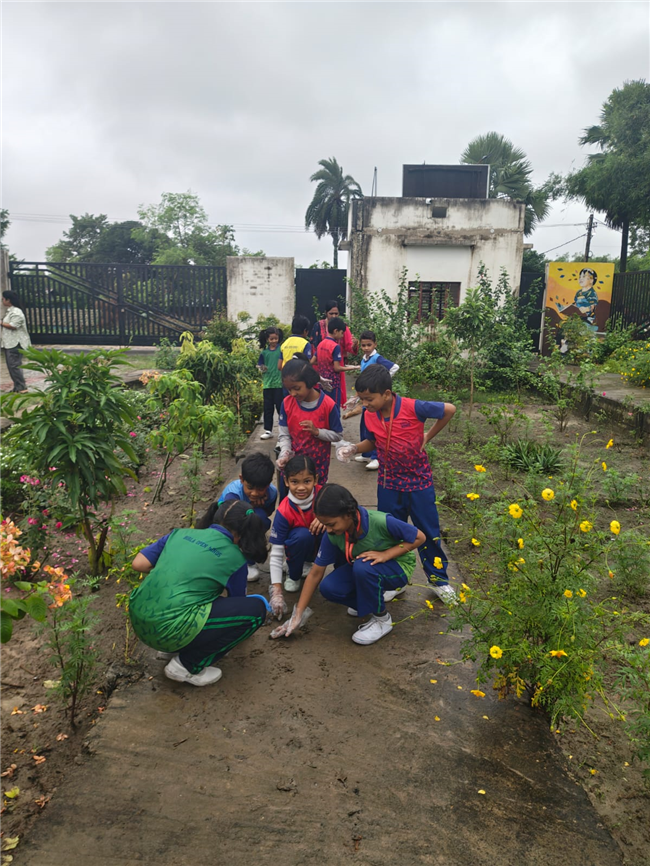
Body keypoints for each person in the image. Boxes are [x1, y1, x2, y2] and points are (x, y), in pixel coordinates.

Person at [339, 364, 457, 604]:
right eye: (362, 399)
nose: (365, 404)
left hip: (419, 482)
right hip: (388, 483)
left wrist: (428, 435)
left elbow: (449, 409)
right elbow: (371, 442)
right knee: (390, 534)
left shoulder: (414, 407)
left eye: (369, 399)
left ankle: (439, 581)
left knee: (428, 532)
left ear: (387, 393)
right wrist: (353, 449)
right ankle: (395, 580)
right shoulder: (370, 415)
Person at [128, 500, 270, 687]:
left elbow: (139, 564)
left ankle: (174, 648)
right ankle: (187, 665)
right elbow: (237, 602)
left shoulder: (180, 534)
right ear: (244, 532)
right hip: (167, 629)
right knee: (255, 611)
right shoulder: (235, 557)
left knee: (201, 598)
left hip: (139, 621)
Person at [271, 483, 425, 645]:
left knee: (362, 567)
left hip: (398, 566)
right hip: (367, 566)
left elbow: (419, 537)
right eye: (325, 525)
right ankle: (368, 604)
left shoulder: (379, 521)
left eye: (331, 524)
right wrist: (298, 615)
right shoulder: (334, 533)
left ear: (348, 514)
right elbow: (316, 573)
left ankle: (382, 620)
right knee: (329, 587)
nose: (328, 530)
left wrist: (386, 554)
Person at [277, 354, 343, 493]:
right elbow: (284, 435)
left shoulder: (328, 405)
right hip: (293, 466)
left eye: (297, 388)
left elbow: (337, 435)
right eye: (289, 389)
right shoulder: (287, 403)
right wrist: (285, 454)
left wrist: (318, 432)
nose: (293, 393)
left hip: (318, 467)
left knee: (316, 503)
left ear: (309, 382)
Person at [268, 454, 324, 607]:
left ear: (316, 479)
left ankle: (341, 572)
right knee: (302, 536)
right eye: (294, 482)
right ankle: (294, 575)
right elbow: (276, 551)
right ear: (286, 481)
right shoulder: (284, 511)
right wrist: (276, 589)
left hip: (321, 546)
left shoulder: (325, 496)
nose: (301, 487)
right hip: (299, 546)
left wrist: (325, 517)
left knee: (334, 528)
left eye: (307, 481)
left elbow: (347, 514)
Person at [217, 451, 277, 582]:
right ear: (241, 479)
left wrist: (257, 507)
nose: (255, 493)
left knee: (261, 519)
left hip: (248, 520)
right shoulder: (232, 494)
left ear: (268, 484)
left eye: (260, 489)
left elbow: (268, 513)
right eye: (250, 487)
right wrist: (250, 505)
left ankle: (249, 561)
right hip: (226, 524)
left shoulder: (272, 493)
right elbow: (228, 520)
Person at [354, 330, 399, 471]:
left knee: (375, 428)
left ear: (375, 344)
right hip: (365, 399)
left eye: (369, 345)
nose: (366, 348)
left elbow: (394, 367)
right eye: (363, 345)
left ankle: (376, 457)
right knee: (365, 425)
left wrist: (381, 383)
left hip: (375, 399)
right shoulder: (364, 359)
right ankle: (366, 454)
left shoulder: (377, 358)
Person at [310, 300, 357, 404]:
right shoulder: (319, 326)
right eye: (331, 313)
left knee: (323, 402)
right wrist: (354, 367)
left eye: (336, 313)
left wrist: (354, 345)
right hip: (330, 376)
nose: (334, 316)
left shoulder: (342, 327)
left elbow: (349, 346)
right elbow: (313, 346)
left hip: (326, 372)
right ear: (326, 313)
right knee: (332, 405)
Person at [1, 290, 31, 393]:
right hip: (10, 342)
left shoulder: (16, 312)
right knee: (12, 366)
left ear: (8, 300)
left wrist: (0, 323)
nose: (2, 300)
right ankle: (17, 386)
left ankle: (22, 387)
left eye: (3, 298)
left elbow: (13, 326)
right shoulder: (11, 311)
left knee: (14, 365)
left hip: (16, 342)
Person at [257, 326, 284, 440]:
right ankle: (268, 430)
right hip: (268, 384)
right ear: (267, 339)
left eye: (276, 338)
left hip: (279, 384)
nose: (274, 341)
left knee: (280, 407)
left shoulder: (281, 350)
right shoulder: (264, 353)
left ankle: (283, 430)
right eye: (271, 339)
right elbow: (259, 365)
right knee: (268, 408)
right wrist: (262, 368)